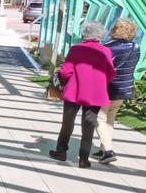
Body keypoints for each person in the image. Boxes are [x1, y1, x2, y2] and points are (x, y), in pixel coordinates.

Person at [49, 20, 116, 168]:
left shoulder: (75, 49)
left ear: (83, 33)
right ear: (100, 35)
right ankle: (83, 159)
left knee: (67, 122)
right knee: (89, 126)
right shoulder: (105, 51)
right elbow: (111, 73)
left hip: (74, 91)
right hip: (96, 94)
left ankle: (61, 151)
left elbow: (65, 71)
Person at [95, 17, 140, 164]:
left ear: (115, 30)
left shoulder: (108, 47)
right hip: (124, 88)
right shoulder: (135, 47)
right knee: (110, 119)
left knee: (100, 118)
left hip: (108, 88)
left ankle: (108, 151)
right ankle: (103, 148)